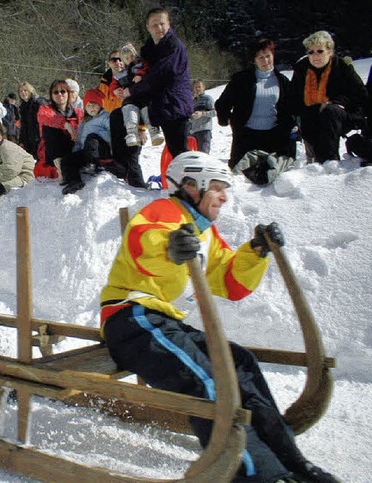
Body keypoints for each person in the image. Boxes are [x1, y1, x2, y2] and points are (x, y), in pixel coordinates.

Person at [100, 151, 340, 483]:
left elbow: (228, 280)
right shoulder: (163, 212)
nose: (224, 197)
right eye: (216, 188)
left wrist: (255, 251)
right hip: (130, 319)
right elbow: (145, 240)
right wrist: (171, 247)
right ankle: (257, 475)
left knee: (240, 363)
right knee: (210, 381)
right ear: (190, 185)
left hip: (162, 322)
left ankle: (293, 463)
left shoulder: (204, 232)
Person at [119, 7, 192, 160]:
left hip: (175, 104)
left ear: (169, 24)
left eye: (162, 23)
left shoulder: (174, 46)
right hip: (158, 104)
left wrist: (132, 91)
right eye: (154, 24)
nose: (159, 28)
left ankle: (188, 181)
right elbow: (140, 72)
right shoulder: (148, 49)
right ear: (147, 27)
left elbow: (159, 75)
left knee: (180, 152)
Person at [289, 31, 367, 163]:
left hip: (343, 115)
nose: (315, 56)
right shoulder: (302, 70)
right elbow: (293, 98)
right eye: (311, 52)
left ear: (330, 51)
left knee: (329, 111)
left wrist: (336, 102)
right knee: (308, 114)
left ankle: (329, 161)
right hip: (312, 115)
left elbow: (361, 94)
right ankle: (316, 161)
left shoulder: (342, 67)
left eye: (320, 51)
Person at [215, 38, 295, 169]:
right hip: (246, 137)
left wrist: (291, 126)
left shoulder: (283, 81)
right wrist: (227, 119)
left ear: (273, 56)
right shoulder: (241, 79)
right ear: (254, 60)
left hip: (273, 137)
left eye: (268, 56)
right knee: (241, 177)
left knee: (269, 178)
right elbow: (222, 103)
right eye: (260, 57)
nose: (265, 61)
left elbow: (289, 108)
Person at [60, 88, 122, 195]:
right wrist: (75, 153)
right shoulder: (84, 122)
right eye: (88, 105)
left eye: (94, 104)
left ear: (99, 105)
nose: (91, 108)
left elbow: (113, 134)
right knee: (67, 159)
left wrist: (98, 135)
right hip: (88, 151)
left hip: (103, 150)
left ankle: (95, 164)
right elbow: (79, 141)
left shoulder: (105, 117)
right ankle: (74, 181)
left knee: (91, 137)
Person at [35, 80, 84, 180]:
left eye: (63, 91)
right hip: (53, 152)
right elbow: (47, 117)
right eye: (56, 92)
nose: (60, 95)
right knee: (50, 128)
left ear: (68, 93)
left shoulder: (78, 112)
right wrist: (66, 125)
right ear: (51, 95)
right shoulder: (44, 109)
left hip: (73, 147)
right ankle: (59, 164)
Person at [117, 43, 165, 147]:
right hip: (130, 98)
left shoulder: (140, 65)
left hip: (143, 94)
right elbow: (114, 82)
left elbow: (146, 68)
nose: (130, 59)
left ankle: (154, 130)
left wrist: (140, 74)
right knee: (129, 109)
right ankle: (131, 132)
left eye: (131, 56)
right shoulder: (122, 72)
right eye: (126, 58)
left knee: (147, 109)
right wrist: (115, 90)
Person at [17, 82, 48, 159]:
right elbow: (23, 125)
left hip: (39, 138)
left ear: (30, 91)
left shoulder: (39, 103)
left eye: (25, 90)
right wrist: (21, 140)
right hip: (29, 139)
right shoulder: (23, 106)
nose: (23, 93)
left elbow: (46, 121)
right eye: (20, 91)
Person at [189, 79, 216, 154]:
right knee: (193, 158)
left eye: (199, 87)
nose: (197, 89)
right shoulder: (192, 101)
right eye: (195, 87)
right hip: (192, 133)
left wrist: (202, 113)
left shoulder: (208, 99)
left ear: (203, 87)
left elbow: (215, 112)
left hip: (204, 132)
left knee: (203, 156)